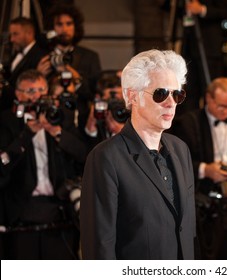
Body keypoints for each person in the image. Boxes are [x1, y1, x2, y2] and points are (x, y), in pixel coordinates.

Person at [80, 49, 196, 260]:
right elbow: (99, 245)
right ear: (133, 96)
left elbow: (186, 230)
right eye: (161, 93)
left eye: (177, 94)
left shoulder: (181, 149)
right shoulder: (106, 158)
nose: (171, 103)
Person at [0, 69, 87, 259]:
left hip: (60, 210)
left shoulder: (60, 117)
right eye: (30, 91)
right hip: (20, 213)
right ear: (18, 94)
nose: (37, 96)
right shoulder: (6, 121)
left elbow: (84, 155)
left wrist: (56, 132)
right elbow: (3, 164)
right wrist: (26, 135)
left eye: (41, 90)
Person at [170, 77, 227, 259]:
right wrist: (205, 169)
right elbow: (173, 164)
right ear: (208, 99)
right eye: (222, 106)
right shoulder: (188, 123)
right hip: (201, 205)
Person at [38, 2, 102, 132]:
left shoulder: (89, 57)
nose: (64, 29)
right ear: (51, 27)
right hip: (46, 121)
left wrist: (76, 78)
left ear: (76, 27)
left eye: (69, 24)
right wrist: (38, 75)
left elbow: (95, 92)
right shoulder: (40, 56)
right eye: (59, 24)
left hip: (80, 123)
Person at [162, 0, 227, 116]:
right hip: (189, 46)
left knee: (209, 89)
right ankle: (190, 125)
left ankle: (210, 124)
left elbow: (226, 11)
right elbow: (167, 7)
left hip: (209, 48)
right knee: (189, 91)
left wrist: (202, 9)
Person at [0, 17, 49, 112]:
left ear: (29, 33)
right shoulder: (15, 54)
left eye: (16, 34)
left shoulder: (41, 56)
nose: (12, 39)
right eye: (11, 35)